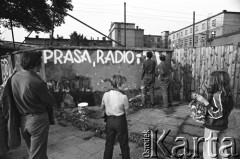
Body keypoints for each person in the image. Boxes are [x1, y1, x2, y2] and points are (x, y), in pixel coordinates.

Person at [11, 51, 55, 159]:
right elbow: (50, 101)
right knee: (38, 155)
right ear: (35, 64)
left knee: (33, 151)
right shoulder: (36, 82)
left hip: (23, 120)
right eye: (40, 61)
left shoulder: (15, 77)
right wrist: (47, 89)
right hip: (37, 120)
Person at [194, 71, 234, 159]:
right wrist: (205, 89)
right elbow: (222, 108)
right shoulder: (227, 94)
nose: (209, 82)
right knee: (221, 145)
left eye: (211, 80)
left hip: (212, 126)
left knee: (209, 148)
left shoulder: (217, 95)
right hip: (222, 125)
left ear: (216, 82)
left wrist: (204, 101)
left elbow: (217, 114)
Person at [101, 75, 130, 159]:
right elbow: (127, 112)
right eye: (123, 84)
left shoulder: (105, 95)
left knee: (109, 144)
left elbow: (102, 108)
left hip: (109, 121)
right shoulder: (123, 97)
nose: (124, 85)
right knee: (124, 144)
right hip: (120, 121)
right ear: (118, 85)